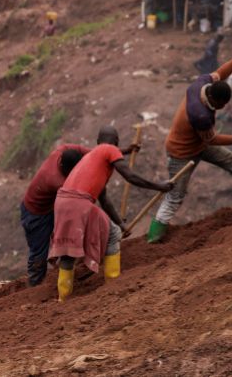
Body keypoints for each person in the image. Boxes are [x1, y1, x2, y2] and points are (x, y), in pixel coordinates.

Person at [147, 41, 232, 243]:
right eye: (222, 105)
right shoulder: (200, 115)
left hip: (198, 145)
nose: (224, 108)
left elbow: (221, 72)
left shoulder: (202, 83)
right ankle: (153, 238)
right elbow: (213, 139)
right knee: (175, 197)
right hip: (181, 153)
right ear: (214, 101)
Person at [49, 126, 172, 301]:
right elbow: (130, 177)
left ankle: (63, 298)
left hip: (62, 202)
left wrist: (121, 224)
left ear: (98, 142)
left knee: (69, 249)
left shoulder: (93, 158)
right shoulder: (110, 150)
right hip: (78, 202)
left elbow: (104, 200)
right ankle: (113, 287)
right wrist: (160, 186)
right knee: (113, 234)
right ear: (116, 142)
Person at [20, 139, 139, 287]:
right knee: (39, 254)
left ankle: (68, 269)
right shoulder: (57, 181)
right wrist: (118, 223)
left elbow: (94, 153)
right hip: (36, 214)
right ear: (66, 169)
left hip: (53, 206)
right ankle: (34, 289)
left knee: (69, 239)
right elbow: (91, 203)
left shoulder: (63, 149)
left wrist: (121, 152)